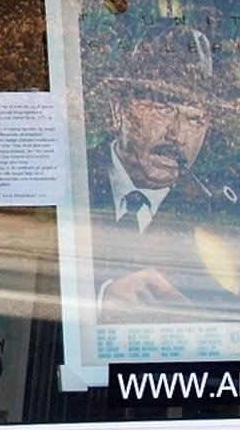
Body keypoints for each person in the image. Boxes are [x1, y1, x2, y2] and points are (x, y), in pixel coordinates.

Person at [89, 24, 228, 321]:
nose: (177, 135)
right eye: (163, 109)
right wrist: (100, 301)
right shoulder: (73, 180)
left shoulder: (215, 215)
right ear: (120, 110)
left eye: (194, 119)